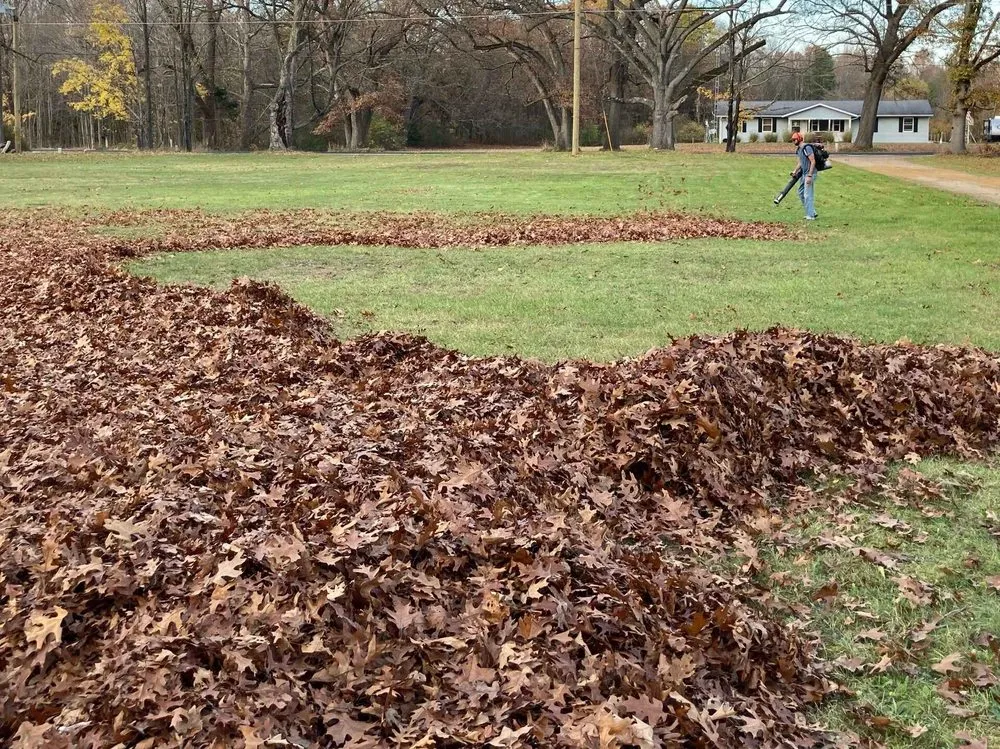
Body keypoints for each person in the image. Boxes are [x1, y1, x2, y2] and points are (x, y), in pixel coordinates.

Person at [790, 131, 818, 221]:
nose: (793, 141)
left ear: (799, 139)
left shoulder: (807, 148)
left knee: (807, 195)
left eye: (794, 140)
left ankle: (811, 216)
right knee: (800, 193)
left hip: (810, 173)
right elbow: (801, 162)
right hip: (804, 173)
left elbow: (813, 161)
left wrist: (809, 175)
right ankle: (812, 212)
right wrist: (795, 171)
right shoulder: (799, 150)